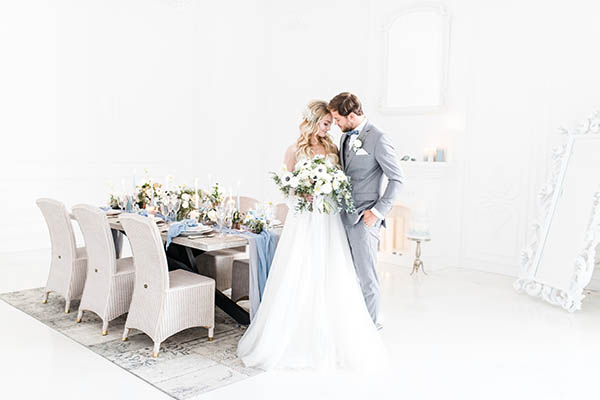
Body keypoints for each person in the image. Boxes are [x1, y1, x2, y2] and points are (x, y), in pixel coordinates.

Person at [237, 100, 386, 371]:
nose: (329, 128)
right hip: (305, 219)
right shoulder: (294, 150)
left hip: (329, 218)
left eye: (331, 123)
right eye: (326, 123)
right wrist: (301, 192)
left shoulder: (333, 148)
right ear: (314, 121)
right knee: (301, 268)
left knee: (332, 269)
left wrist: (332, 188)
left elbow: (342, 180)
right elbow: (286, 185)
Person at [329, 92, 403, 328]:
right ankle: (353, 322)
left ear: (351, 116)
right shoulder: (344, 137)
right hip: (343, 216)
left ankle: (370, 327)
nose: (336, 124)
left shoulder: (379, 138)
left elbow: (397, 179)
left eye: (337, 119)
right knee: (348, 274)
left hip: (365, 219)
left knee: (367, 277)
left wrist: (378, 212)